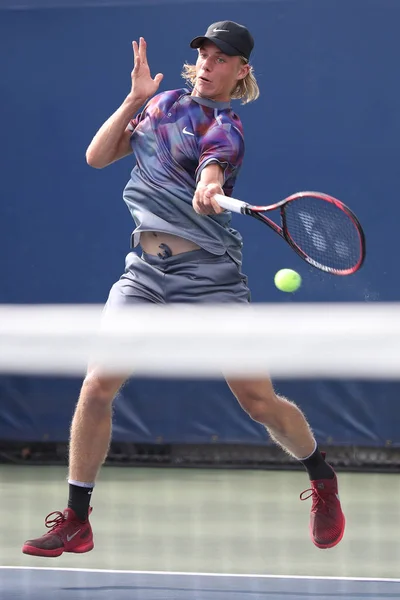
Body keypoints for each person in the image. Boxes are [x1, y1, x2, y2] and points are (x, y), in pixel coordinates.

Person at [22, 21, 345, 557]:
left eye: (223, 59)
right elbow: (97, 157)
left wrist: (209, 185)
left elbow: (212, 172)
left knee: (259, 401)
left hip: (209, 278)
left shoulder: (227, 127)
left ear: (241, 70)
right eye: (205, 55)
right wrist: (134, 98)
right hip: (143, 272)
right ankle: (77, 519)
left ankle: (321, 474)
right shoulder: (162, 103)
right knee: (97, 384)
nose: (209, 65)